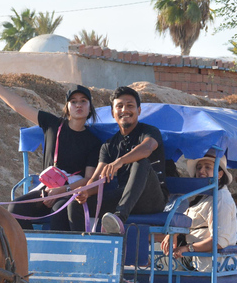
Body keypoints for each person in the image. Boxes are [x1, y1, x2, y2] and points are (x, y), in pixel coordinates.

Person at [0, 63, 101, 231]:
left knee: (60, 210)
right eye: (73, 102)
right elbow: (20, 105)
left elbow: (88, 180)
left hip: (70, 193)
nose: (78, 105)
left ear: (90, 107)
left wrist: (61, 191)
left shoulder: (94, 142)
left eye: (83, 101)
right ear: (67, 107)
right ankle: (27, 250)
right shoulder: (52, 125)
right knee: (16, 208)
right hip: (46, 189)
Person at [72, 86, 168, 234]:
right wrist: (85, 192)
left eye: (130, 105)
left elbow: (147, 148)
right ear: (113, 112)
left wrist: (120, 161)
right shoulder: (108, 145)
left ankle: (118, 218)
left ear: (139, 111)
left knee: (140, 161)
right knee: (75, 204)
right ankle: (78, 247)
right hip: (124, 197)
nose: (125, 110)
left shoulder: (149, 131)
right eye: (120, 106)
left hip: (151, 199)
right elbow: (97, 178)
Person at [160, 152, 237, 273]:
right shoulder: (200, 197)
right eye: (199, 167)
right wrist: (174, 234)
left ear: (220, 174)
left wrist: (187, 248)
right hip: (194, 260)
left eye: (208, 167)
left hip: (211, 264)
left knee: (155, 257)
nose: (201, 171)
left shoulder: (221, 199)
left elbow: (219, 241)